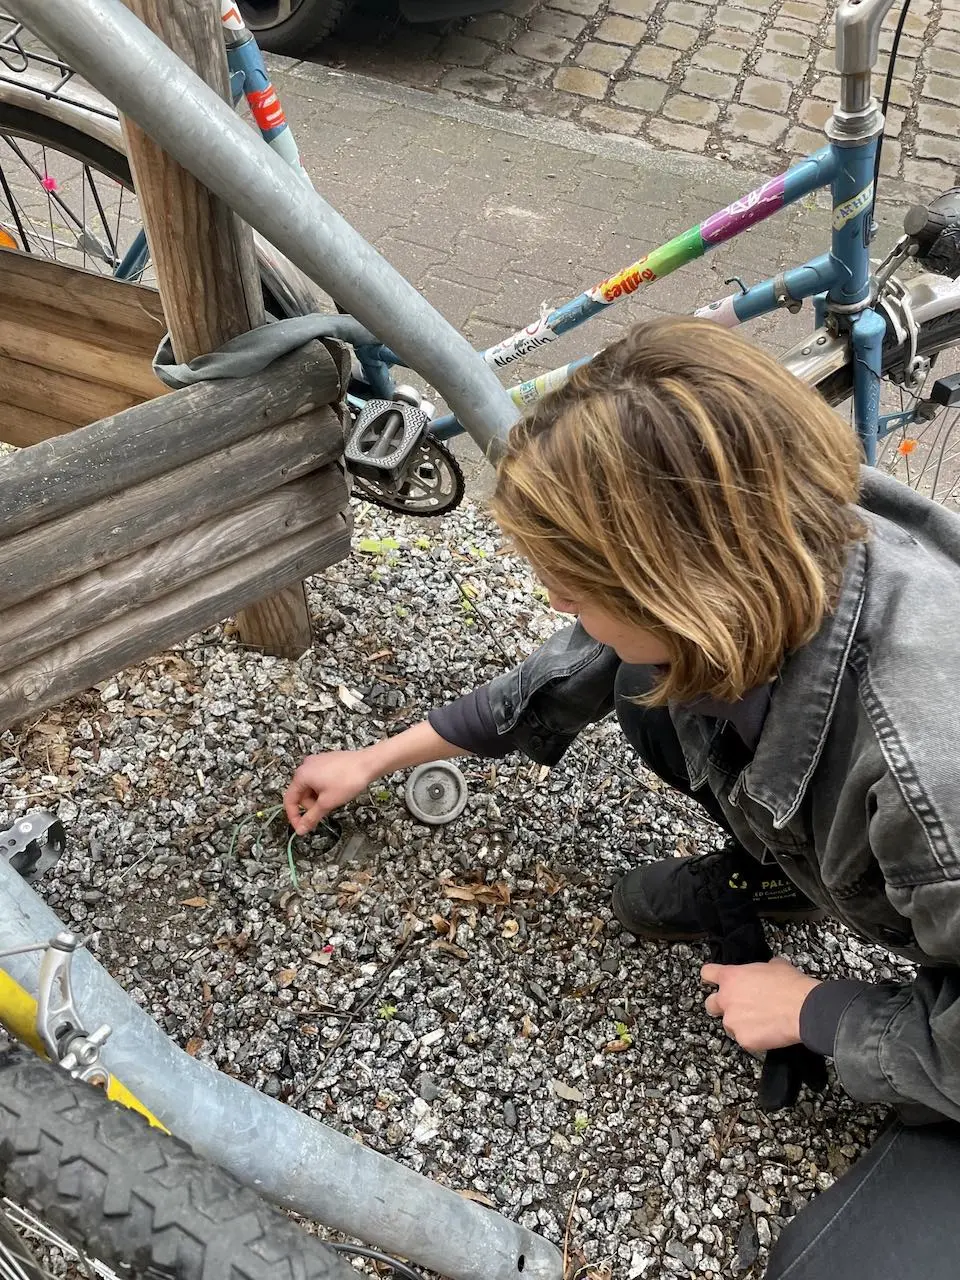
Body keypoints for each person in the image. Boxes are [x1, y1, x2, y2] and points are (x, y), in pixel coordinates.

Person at [284, 318, 960, 1278]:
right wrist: (380, 756)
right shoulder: (766, 545)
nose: (556, 603)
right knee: (648, 694)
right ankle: (787, 878)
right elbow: (576, 671)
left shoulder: (929, 779)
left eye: (570, 586)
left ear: (675, 585)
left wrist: (818, 1011)